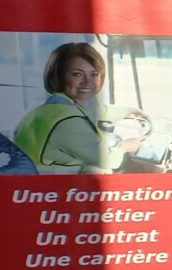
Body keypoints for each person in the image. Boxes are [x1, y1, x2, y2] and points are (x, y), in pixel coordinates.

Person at [13, 42, 121, 173]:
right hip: (49, 183)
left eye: (94, 74)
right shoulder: (67, 120)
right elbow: (109, 160)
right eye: (77, 74)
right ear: (58, 76)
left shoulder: (47, 103)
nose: (88, 82)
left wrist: (131, 112)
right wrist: (125, 147)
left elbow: (95, 110)